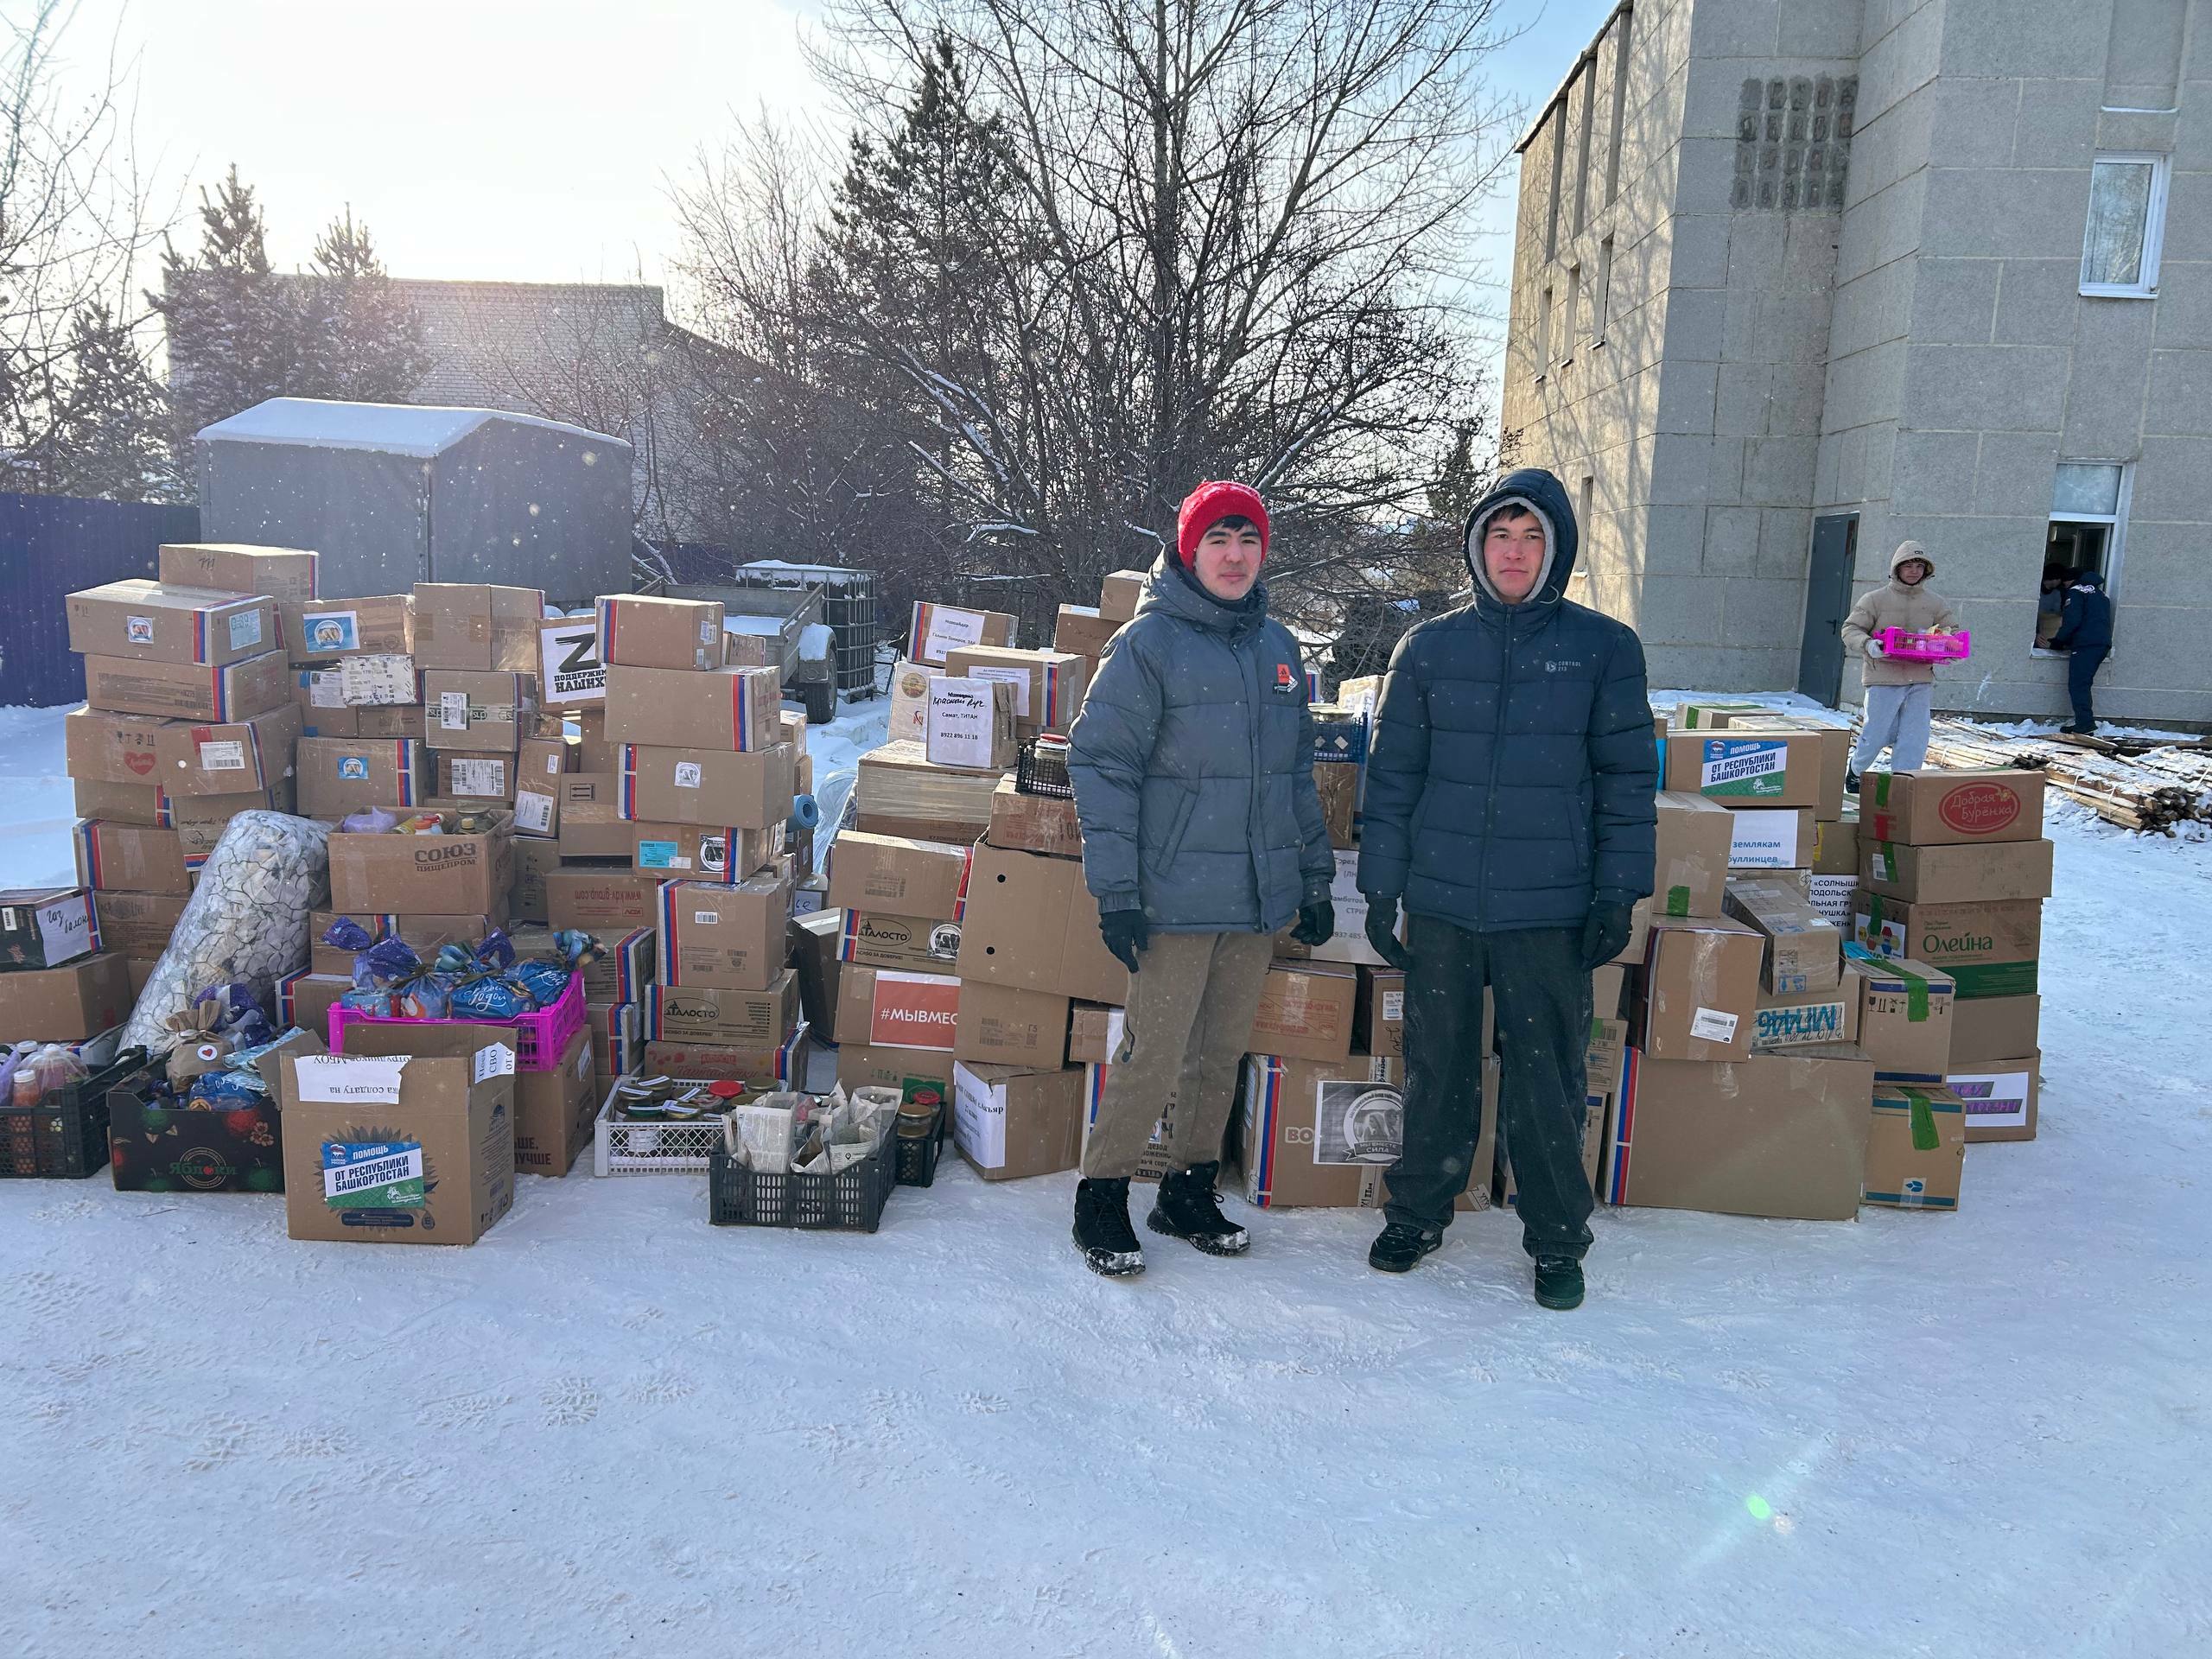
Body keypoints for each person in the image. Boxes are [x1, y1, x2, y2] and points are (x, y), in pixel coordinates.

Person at [1355, 467, 1656, 1311]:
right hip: (1444, 905)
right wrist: (1382, 890)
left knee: (1547, 1083)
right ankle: (1416, 1212)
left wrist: (1615, 894)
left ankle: (1558, 1239)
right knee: (1436, 1072)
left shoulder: (1603, 649)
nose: (1514, 553)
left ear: (1553, 548)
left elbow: (1624, 781)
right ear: (1476, 547)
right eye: (1499, 536)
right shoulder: (1431, 649)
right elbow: (1395, 781)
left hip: (1549, 910)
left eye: (1530, 538)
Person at [1064, 480, 1335, 1279]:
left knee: (1219, 1053)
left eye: (1248, 540)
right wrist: (1116, 892)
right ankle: (1102, 1193)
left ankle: (1186, 1189)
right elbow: (1100, 763)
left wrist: (1312, 879)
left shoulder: (1279, 648)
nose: (1234, 555)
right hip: (1171, 895)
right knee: (1155, 1054)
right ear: (1188, 550)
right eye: (1218, 539)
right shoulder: (1149, 645)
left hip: (1255, 897)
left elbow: (1293, 776)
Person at [1840, 541, 1958, 791]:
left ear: (1926, 571)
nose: (1914, 571)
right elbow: (1850, 629)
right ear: (1897, 569)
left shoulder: (1935, 603)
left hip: (1920, 678)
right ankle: (1856, 772)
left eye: (1919, 566)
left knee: (1915, 736)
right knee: (1877, 732)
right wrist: (1868, 644)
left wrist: (1948, 645)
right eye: (1908, 566)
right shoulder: (1875, 599)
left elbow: (1952, 634)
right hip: (1883, 676)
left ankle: (1904, 782)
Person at [2050, 568, 2114, 734]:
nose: (2063, 584)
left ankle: (2085, 723)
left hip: (2086, 644)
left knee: (2078, 684)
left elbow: (2072, 620)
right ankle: (2083, 721)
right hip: (2101, 643)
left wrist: (2058, 641)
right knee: (2084, 683)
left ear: (2071, 580)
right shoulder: (2101, 595)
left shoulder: (2076, 592)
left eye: (2065, 581)